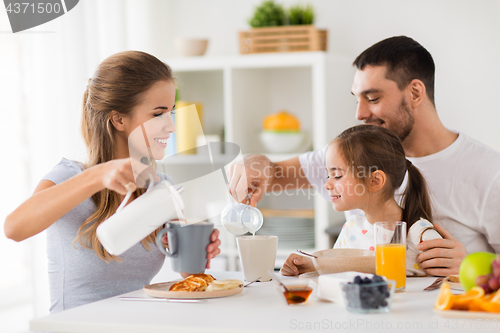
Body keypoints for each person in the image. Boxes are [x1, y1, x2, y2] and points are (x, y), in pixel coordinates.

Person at [228, 36, 500, 277]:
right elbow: (273, 175)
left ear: (415, 92)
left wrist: (472, 264)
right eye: (356, 99)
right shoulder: (350, 157)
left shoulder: (488, 171)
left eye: (372, 98)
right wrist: (256, 162)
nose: (359, 113)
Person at [4, 51, 221, 312]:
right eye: (158, 114)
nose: (171, 126)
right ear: (119, 119)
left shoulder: (160, 187)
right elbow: (14, 228)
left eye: (171, 112)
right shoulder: (69, 177)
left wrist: (197, 252)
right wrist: (96, 176)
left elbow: (188, 274)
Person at [280, 125, 443, 276]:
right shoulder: (351, 229)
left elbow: (446, 282)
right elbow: (336, 274)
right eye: (328, 175)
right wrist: (307, 265)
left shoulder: (420, 234)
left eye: (337, 175)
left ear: (375, 181)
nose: (327, 184)